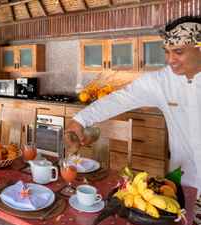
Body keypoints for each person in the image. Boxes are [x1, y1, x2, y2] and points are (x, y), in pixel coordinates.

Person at [66, 15, 201, 193]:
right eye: (167, 51)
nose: (170, 60)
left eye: (178, 52)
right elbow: (121, 99)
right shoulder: (162, 81)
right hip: (184, 181)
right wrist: (80, 119)